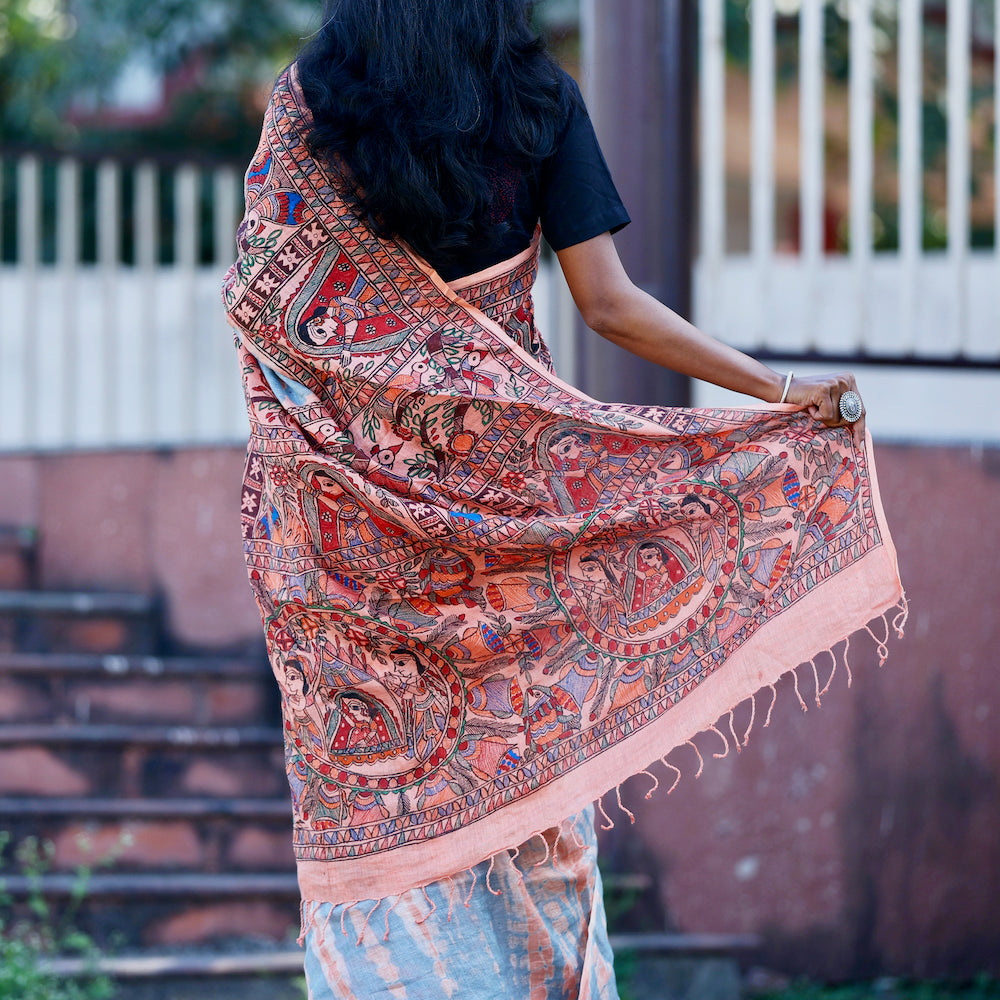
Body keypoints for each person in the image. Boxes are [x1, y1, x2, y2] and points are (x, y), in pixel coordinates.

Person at [223, 2, 903, 997]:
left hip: (348, 546)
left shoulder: (315, 101)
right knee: (529, 772)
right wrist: (775, 391)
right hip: (513, 525)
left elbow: (272, 308)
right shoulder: (538, 100)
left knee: (384, 796)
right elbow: (611, 304)